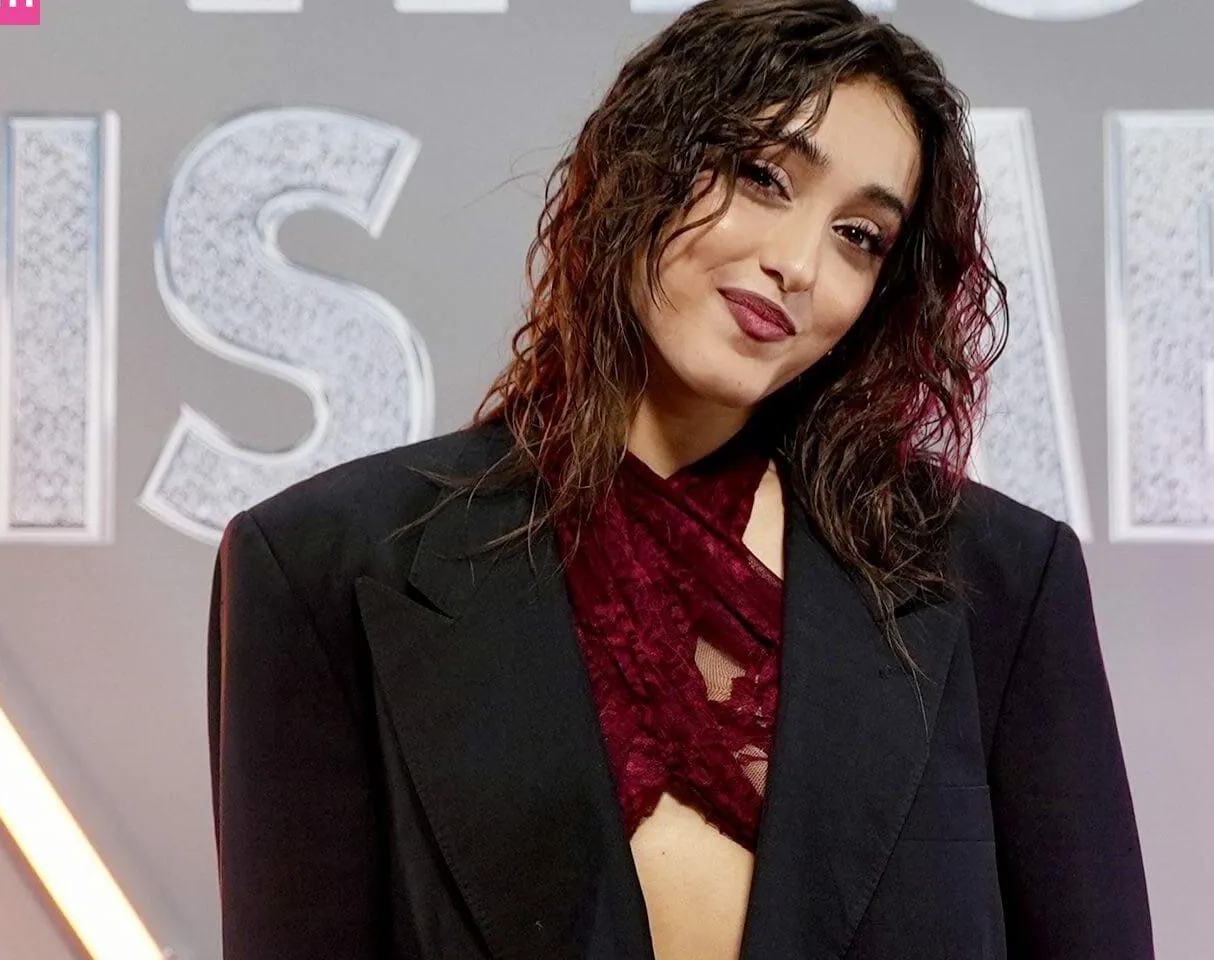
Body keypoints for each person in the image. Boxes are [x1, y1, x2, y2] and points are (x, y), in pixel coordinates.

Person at [206, 0, 1154, 955]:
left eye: (859, 235)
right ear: (642, 163)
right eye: (764, 176)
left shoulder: (994, 579)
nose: (798, 264)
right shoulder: (326, 564)